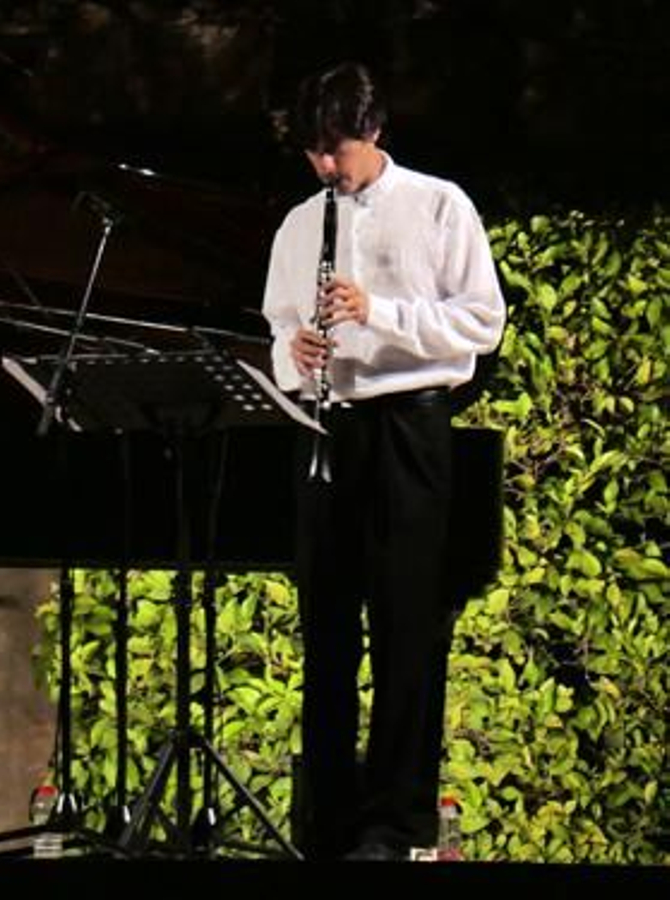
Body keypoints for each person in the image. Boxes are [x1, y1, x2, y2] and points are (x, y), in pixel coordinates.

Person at [260, 62, 505, 861]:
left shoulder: (438, 204)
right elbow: (277, 325)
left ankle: (395, 823)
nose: (327, 168)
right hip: (328, 427)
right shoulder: (301, 225)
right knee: (325, 627)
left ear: (373, 131)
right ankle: (327, 818)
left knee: (405, 626)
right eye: (314, 154)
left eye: (337, 151)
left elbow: (482, 323)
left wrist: (381, 313)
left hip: (409, 428)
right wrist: (293, 353)